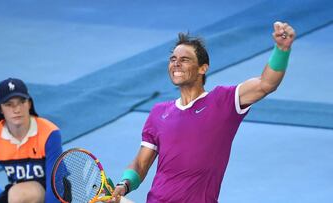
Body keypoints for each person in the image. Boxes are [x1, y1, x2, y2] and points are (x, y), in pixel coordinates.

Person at [109, 21, 296, 203]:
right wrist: (124, 184)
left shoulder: (223, 101)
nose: (176, 63)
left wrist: (282, 50)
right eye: (173, 59)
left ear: (202, 68)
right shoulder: (158, 113)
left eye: (184, 59)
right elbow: (141, 164)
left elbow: (266, 84)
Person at [0, 78, 63, 203]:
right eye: (9, 104)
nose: (17, 109)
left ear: (29, 104)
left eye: (21, 102)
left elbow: (56, 183)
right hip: (17, 192)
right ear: (0, 109)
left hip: (53, 192)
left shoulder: (49, 133)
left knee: (18, 194)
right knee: (15, 194)